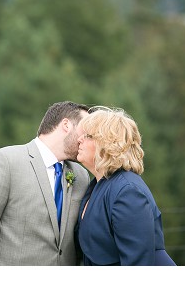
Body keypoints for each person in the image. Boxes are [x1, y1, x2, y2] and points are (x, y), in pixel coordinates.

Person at [0, 101, 91, 265]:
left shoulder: (81, 175)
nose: (88, 139)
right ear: (66, 125)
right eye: (86, 132)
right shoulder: (4, 162)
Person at [74, 107, 175, 266]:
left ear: (106, 142)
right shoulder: (97, 186)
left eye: (86, 136)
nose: (79, 140)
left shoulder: (127, 190)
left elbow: (138, 262)